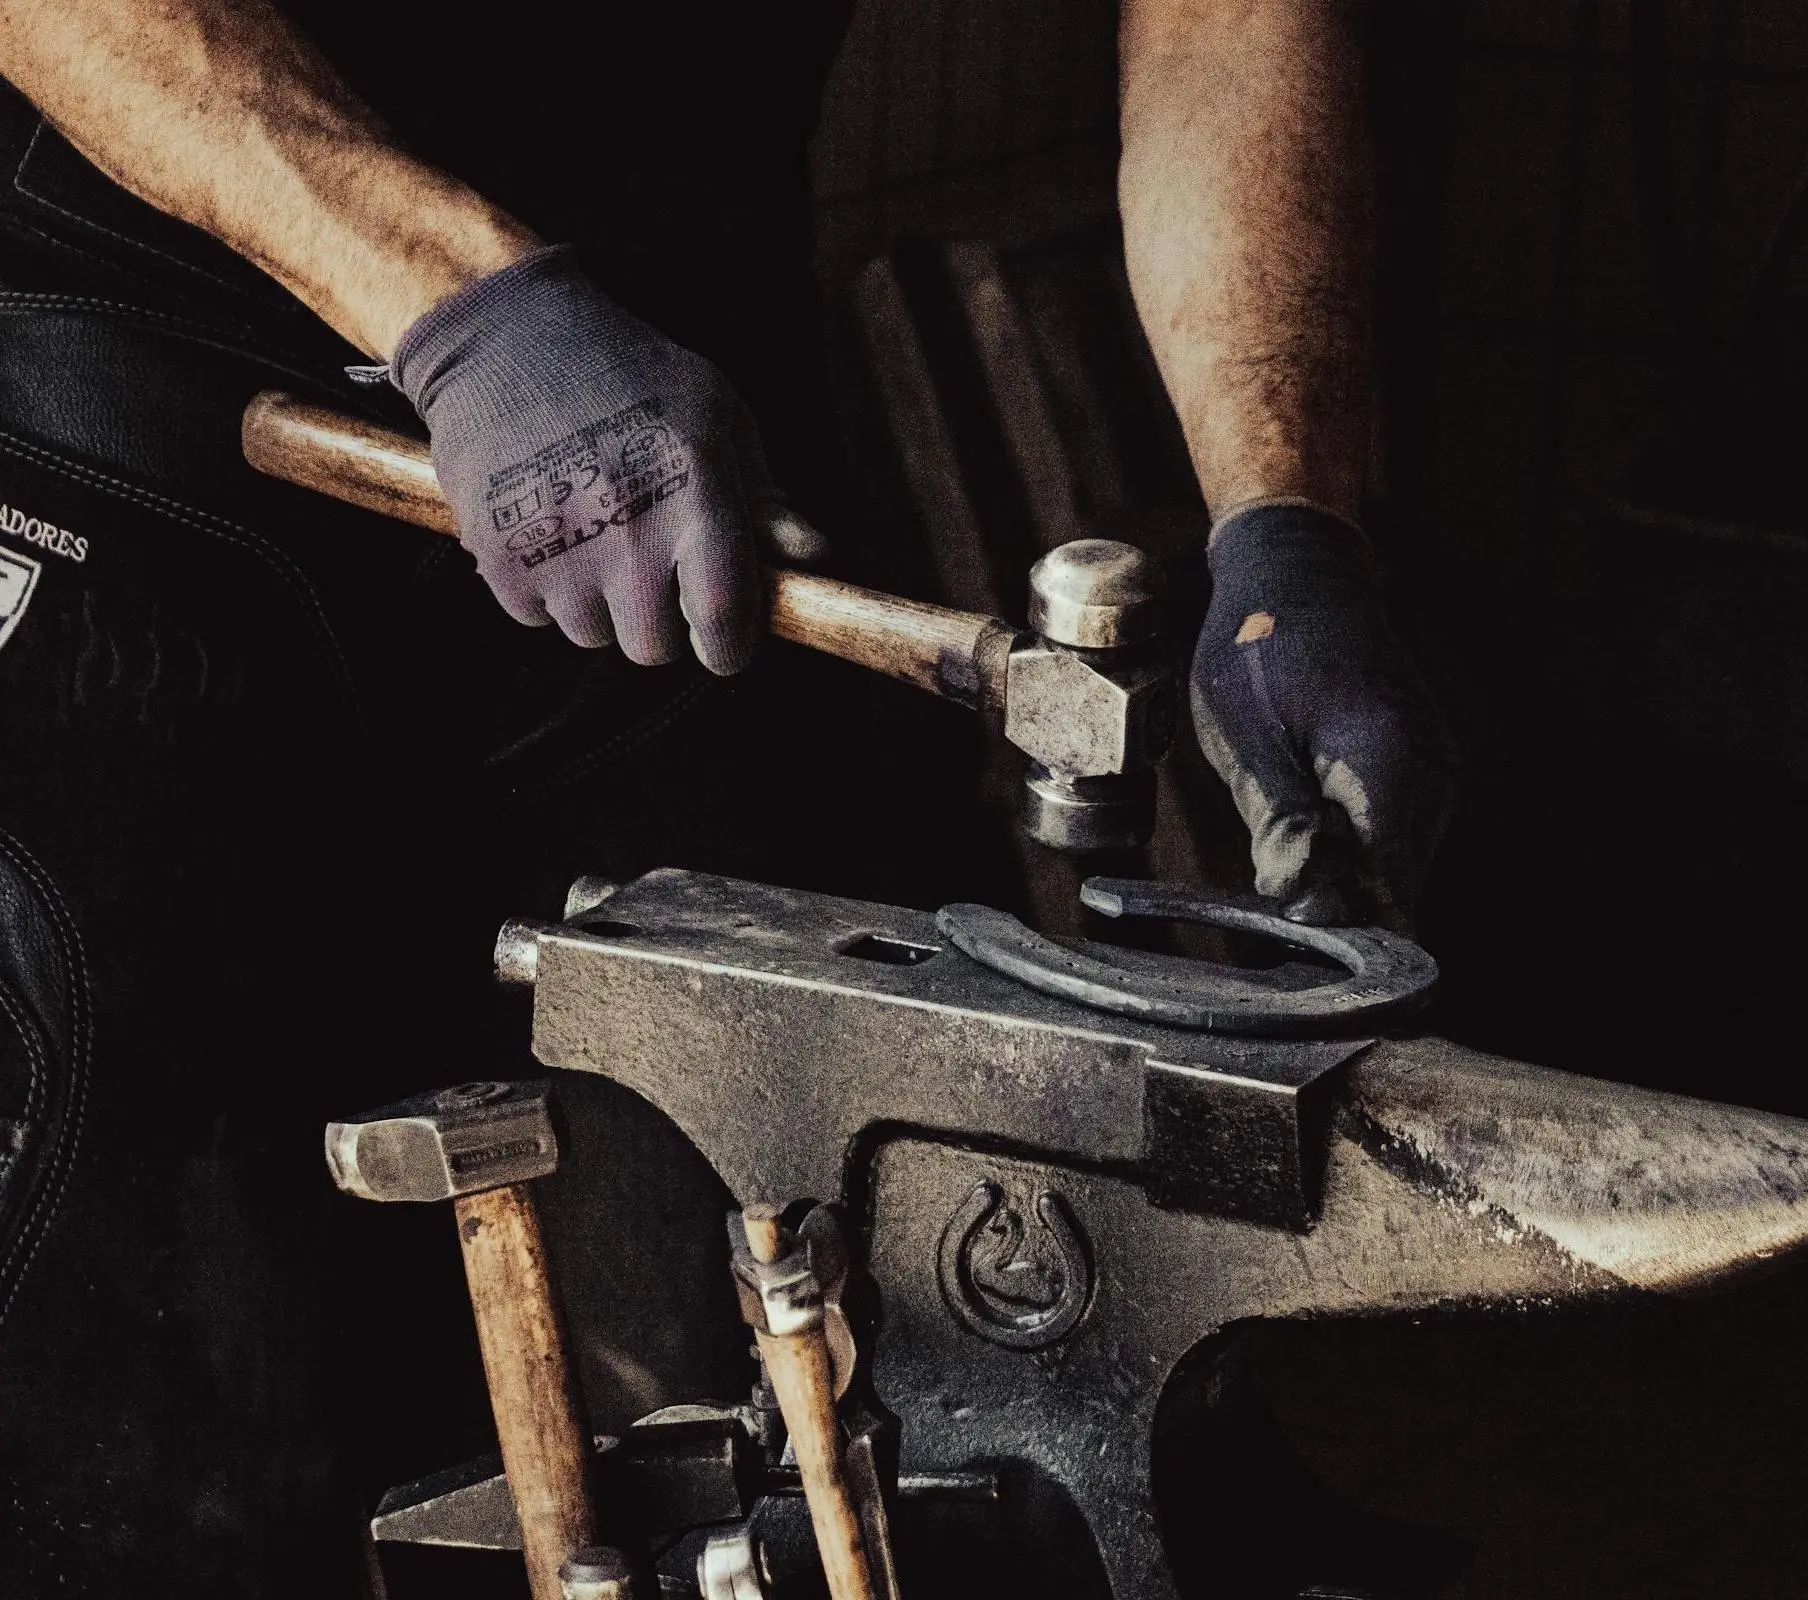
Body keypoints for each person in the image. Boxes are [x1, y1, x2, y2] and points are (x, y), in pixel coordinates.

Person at [0, 0, 1453, 1591]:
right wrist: (465, 311)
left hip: (676, 416)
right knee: (161, 1384)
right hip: (150, 385)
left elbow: (1229, 24)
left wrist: (1283, 520)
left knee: (784, 1336)